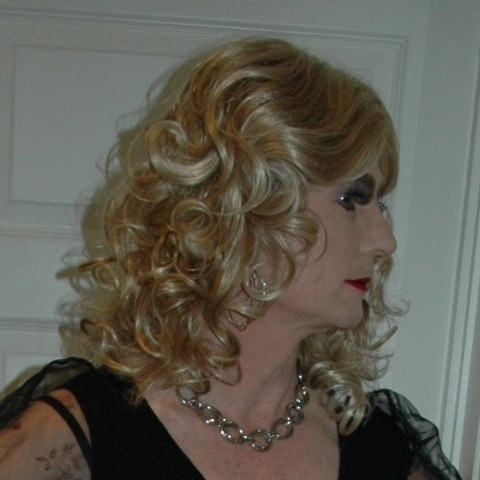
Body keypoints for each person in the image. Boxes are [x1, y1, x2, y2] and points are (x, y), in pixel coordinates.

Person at [0, 37, 462, 480]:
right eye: (352, 199)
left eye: (381, 206)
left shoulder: (380, 450)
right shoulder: (87, 438)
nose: (384, 241)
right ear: (251, 204)